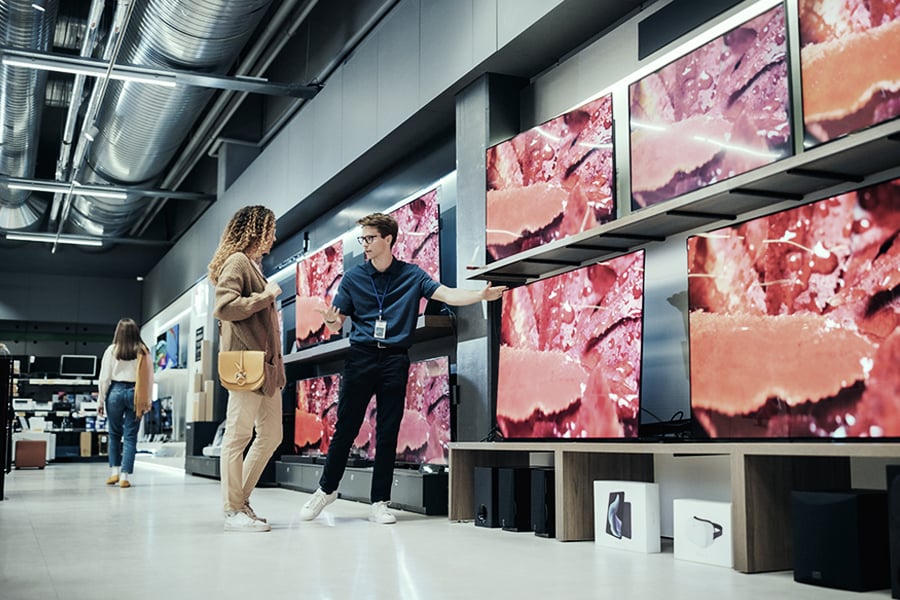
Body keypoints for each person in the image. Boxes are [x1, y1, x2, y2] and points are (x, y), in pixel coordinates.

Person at [299, 212, 506, 524]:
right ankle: (326, 489)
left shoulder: (412, 275)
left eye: (370, 239)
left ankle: (380, 501)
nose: (365, 245)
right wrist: (330, 320)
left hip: (395, 358)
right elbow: (336, 322)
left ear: (389, 240)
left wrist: (480, 294)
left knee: (388, 431)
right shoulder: (354, 278)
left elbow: (446, 293)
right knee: (346, 428)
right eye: (363, 239)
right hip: (361, 356)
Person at [209, 205, 286, 533]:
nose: (274, 236)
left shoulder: (252, 266)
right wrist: (265, 296)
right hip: (247, 366)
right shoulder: (238, 262)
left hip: (266, 369)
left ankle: (240, 503)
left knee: (271, 435)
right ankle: (232, 510)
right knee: (238, 436)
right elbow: (224, 307)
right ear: (257, 229)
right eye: (270, 228)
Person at [97, 318, 153, 489]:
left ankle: (114, 472)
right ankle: (124, 476)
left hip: (115, 391)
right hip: (136, 393)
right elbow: (149, 378)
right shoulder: (143, 351)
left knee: (114, 433)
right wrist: (148, 400)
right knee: (130, 436)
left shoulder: (112, 350)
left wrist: (100, 400)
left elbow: (104, 378)